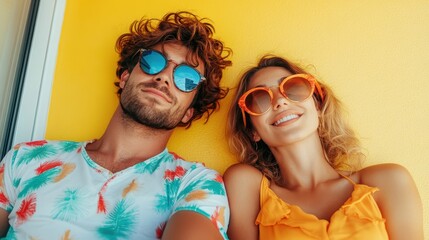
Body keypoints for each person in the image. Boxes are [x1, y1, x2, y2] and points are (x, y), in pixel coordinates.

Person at [0, 11, 232, 239]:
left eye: (186, 78)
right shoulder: (27, 158)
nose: (164, 77)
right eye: (153, 61)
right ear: (125, 77)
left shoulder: (195, 184)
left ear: (188, 113)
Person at [224, 55, 423, 239]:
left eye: (293, 88)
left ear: (317, 106)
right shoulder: (247, 186)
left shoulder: (388, 181)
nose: (280, 101)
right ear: (252, 131)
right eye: (259, 99)